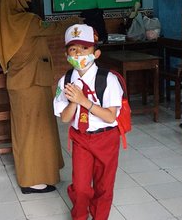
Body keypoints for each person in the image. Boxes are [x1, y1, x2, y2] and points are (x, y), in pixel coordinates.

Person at [0, 0, 80, 194]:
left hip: (18, 84)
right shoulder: (26, 21)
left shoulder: (3, 22)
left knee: (25, 131)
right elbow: (54, 29)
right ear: (18, 0)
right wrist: (75, 21)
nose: (28, 3)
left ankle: (38, 173)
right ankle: (32, 180)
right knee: (37, 131)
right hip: (32, 84)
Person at [53, 24, 124, 220]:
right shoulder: (65, 80)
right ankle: (80, 216)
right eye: (73, 49)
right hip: (81, 138)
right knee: (81, 187)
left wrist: (83, 100)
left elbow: (111, 117)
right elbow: (65, 118)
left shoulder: (108, 79)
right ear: (67, 54)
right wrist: (74, 103)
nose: (78, 54)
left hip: (106, 138)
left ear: (96, 52)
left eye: (85, 49)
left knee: (104, 186)